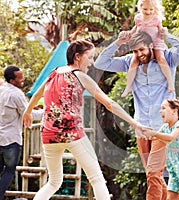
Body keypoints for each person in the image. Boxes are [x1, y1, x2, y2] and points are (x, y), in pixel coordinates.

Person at [22, 39, 146, 200]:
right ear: (78, 57)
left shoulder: (54, 72)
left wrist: (27, 111)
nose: (92, 61)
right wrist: (134, 123)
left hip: (48, 134)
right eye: (90, 57)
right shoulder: (79, 75)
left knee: (53, 182)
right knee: (96, 178)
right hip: (71, 133)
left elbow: (39, 93)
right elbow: (109, 103)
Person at [94, 30, 179, 200]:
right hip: (141, 127)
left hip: (162, 128)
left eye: (142, 49)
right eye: (135, 51)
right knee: (153, 175)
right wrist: (118, 43)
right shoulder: (129, 63)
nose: (139, 54)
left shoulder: (168, 59)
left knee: (154, 174)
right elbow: (100, 62)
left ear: (150, 46)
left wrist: (166, 37)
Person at [0, 66, 43, 200]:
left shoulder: (1, 90)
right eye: (20, 77)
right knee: (9, 170)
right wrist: (46, 111)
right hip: (11, 140)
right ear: (12, 80)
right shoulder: (16, 94)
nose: (23, 79)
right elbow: (29, 115)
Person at [120, 0, 174, 97]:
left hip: (156, 42)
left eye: (151, 9)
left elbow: (161, 29)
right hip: (142, 43)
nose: (148, 12)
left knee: (161, 58)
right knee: (133, 62)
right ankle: (128, 86)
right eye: (145, 9)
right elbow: (136, 28)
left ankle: (170, 82)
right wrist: (129, 34)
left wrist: (164, 32)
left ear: (154, 9)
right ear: (140, 7)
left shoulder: (156, 19)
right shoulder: (138, 18)